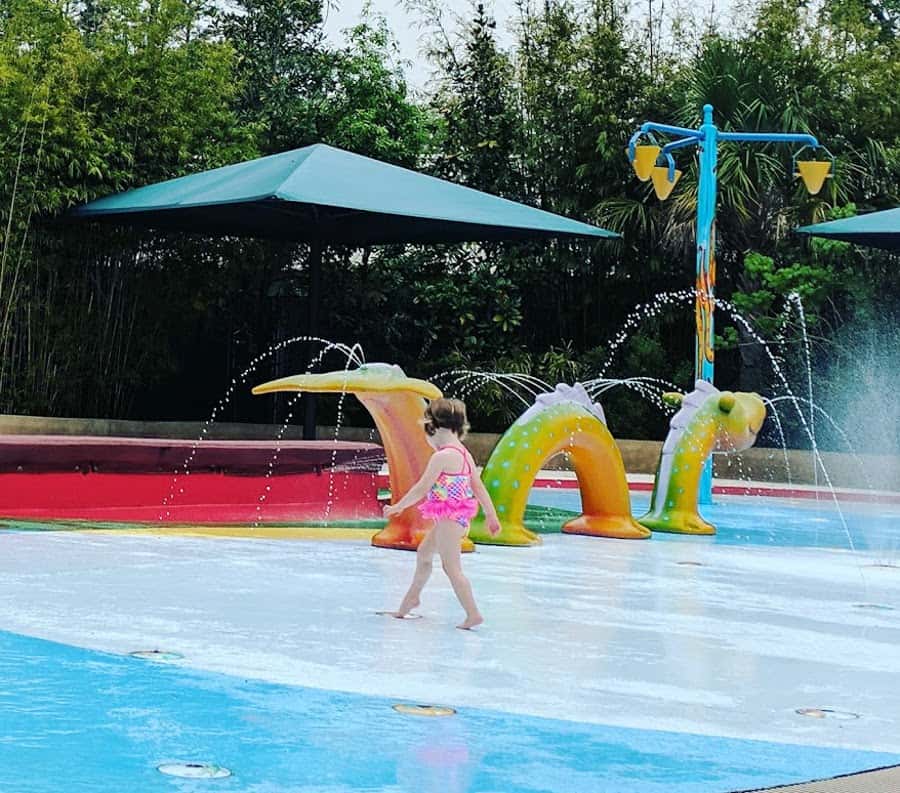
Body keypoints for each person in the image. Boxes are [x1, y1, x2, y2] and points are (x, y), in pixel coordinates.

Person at [383, 398, 501, 630]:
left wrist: (398, 506)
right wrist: (491, 515)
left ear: (433, 427)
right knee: (425, 553)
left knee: (452, 568)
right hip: (456, 517)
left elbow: (422, 487)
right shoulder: (463, 453)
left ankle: (473, 614)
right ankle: (411, 599)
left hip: (450, 519)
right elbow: (478, 486)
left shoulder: (442, 457)